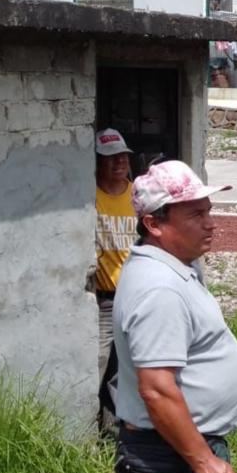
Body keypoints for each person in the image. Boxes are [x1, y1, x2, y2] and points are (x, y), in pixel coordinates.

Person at [112, 161, 237, 473]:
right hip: (176, 456)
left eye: (208, 210)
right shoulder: (160, 290)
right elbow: (157, 390)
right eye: (194, 214)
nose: (210, 223)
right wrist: (204, 462)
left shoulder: (173, 269)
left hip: (180, 449)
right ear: (154, 224)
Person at [94, 128, 137, 438]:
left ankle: (114, 434)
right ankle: (90, 433)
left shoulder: (137, 196)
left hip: (134, 297)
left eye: (123, 156)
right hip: (105, 299)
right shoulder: (88, 197)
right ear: (98, 162)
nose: (119, 162)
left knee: (125, 370)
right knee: (98, 365)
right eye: (110, 157)